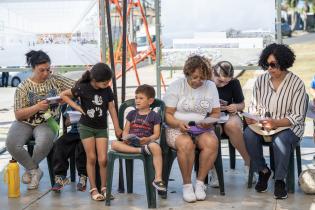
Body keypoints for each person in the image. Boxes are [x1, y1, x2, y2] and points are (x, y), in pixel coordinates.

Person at [244, 43, 306, 199]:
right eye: (267, 64)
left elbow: (297, 116)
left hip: (289, 127)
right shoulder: (260, 81)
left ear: (284, 63)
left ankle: (280, 180)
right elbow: (254, 107)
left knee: (281, 140)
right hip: (264, 126)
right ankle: (263, 171)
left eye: (273, 64)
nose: (269, 68)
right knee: (248, 134)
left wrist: (276, 123)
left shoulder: (297, 83)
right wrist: (251, 117)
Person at [5, 50, 75, 190]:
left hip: (48, 122)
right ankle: (34, 170)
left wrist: (64, 96)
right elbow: (19, 114)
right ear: (33, 68)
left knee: (43, 142)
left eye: (48, 70)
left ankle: (29, 171)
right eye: (41, 70)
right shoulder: (23, 86)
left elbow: (78, 88)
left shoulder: (55, 79)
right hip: (24, 122)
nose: (45, 74)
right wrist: (37, 107)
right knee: (11, 144)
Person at [60, 62, 122, 201]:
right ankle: (93, 189)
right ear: (94, 80)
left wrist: (117, 127)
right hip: (86, 127)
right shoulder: (82, 87)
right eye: (104, 82)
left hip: (101, 128)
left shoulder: (107, 89)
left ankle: (104, 188)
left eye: (108, 81)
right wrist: (77, 107)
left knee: (103, 159)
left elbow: (111, 108)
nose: (107, 84)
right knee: (92, 158)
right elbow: (63, 95)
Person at [163, 55, 220, 202]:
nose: (198, 81)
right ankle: (187, 185)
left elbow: (215, 113)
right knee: (186, 144)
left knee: (212, 143)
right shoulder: (176, 85)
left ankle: (200, 183)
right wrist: (178, 124)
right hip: (176, 127)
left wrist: (207, 121)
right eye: (195, 77)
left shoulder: (210, 86)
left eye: (202, 78)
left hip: (201, 128)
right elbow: (167, 115)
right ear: (187, 73)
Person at [111, 84, 166, 192]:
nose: (137, 100)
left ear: (150, 101)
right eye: (136, 98)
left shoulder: (154, 116)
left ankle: (158, 178)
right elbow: (125, 131)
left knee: (156, 148)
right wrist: (126, 138)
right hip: (131, 143)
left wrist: (148, 139)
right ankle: (140, 151)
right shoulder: (131, 114)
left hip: (146, 142)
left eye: (141, 98)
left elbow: (156, 134)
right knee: (114, 144)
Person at [208, 60, 254, 187]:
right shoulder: (205, 82)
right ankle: (213, 171)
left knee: (232, 126)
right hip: (210, 117)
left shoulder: (234, 83)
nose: (223, 84)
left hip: (228, 115)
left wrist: (235, 106)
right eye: (220, 81)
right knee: (210, 133)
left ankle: (248, 163)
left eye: (227, 81)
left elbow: (242, 104)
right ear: (213, 73)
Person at [51, 102, 87, 192]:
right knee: (59, 144)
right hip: (74, 133)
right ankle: (60, 176)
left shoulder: (90, 102)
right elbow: (66, 123)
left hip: (87, 133)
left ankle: (83, 176)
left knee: (81, 147)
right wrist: (70, 121)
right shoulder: (73, 104)